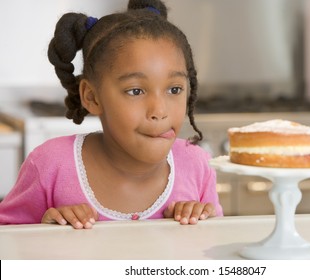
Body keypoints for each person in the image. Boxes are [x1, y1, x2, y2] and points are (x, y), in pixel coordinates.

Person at [0, 0, 223, 229]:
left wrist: (203, 219)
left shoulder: (197, 164)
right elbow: (8, 240)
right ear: (92, 97)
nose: (159, 111)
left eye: (174, 89)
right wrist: (44, 228)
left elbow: (212, 246)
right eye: (135, 91)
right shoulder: (49, 165)